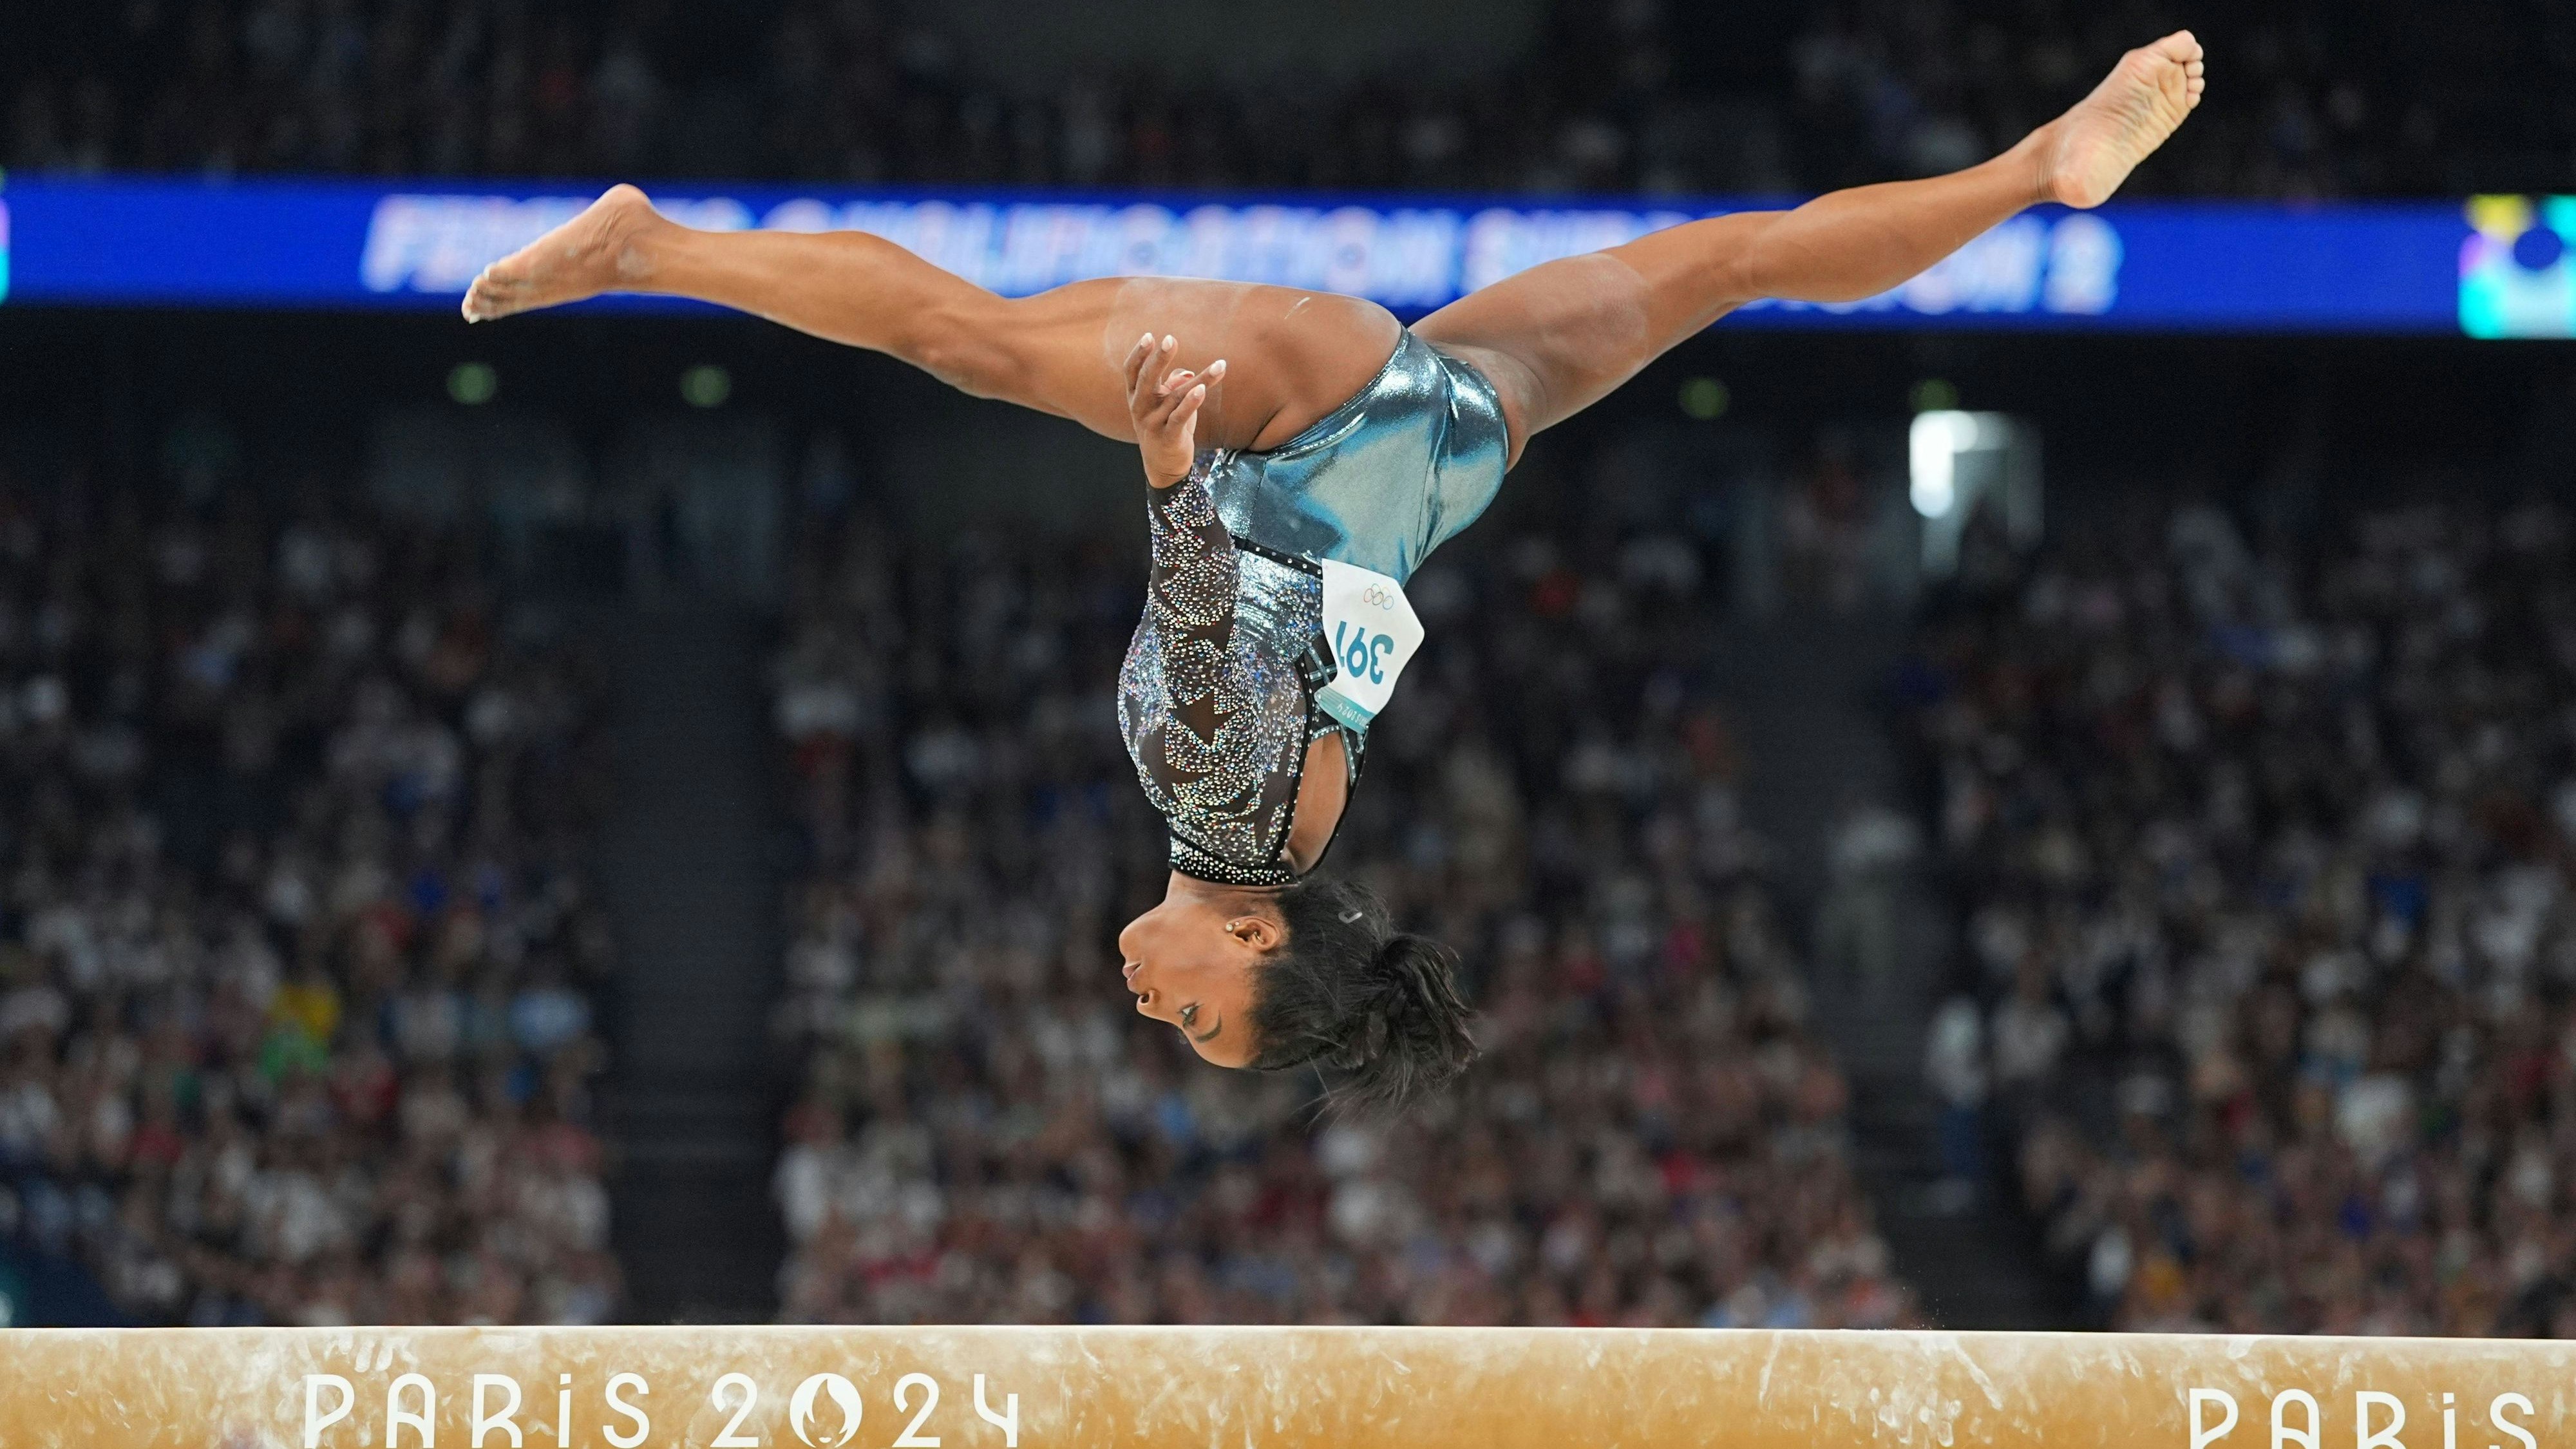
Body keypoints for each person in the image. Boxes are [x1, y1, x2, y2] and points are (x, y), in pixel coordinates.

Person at [464, 33, 2206, 1109]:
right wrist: (1164, 465)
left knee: (1734, 261)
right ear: (1251, 937)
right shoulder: (1228, 820)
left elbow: (1255, 657)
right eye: (1209, 1022)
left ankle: (2032, 169)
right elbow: (1208, 643)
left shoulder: (1295, 833)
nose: (1162, 1011)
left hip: (1447, 439)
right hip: (1299, 417)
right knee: (973, 344)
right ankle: (651, 243)